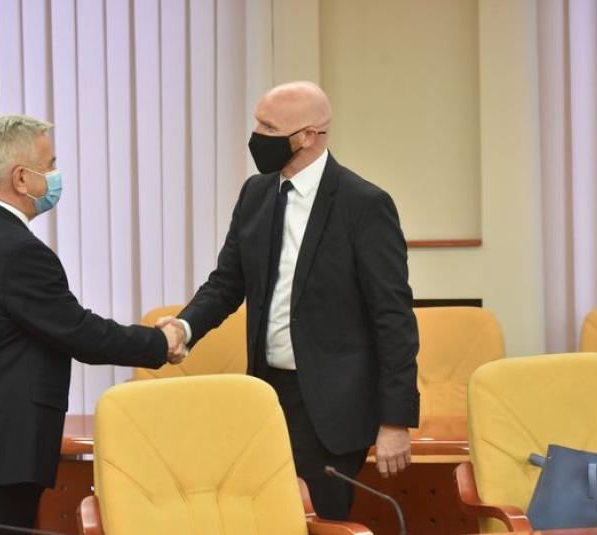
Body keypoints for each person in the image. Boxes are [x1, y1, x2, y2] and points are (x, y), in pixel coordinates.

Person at [160, 82, 419, 520]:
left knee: (319, 520)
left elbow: (393, 318)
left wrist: (396, 421)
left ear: (308, 136)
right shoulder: (256, 193)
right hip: (266, 395)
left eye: (268, 127)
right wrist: (182, 328)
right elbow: (226, 283)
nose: (256, 136)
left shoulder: (364, 204)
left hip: (332, 408)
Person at [0, 115, 186, 534]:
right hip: (4, 448)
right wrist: (160, 342)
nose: (55, 175)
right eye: (49, 165)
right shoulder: (16, 250)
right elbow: (79, 332)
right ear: (21, 178)